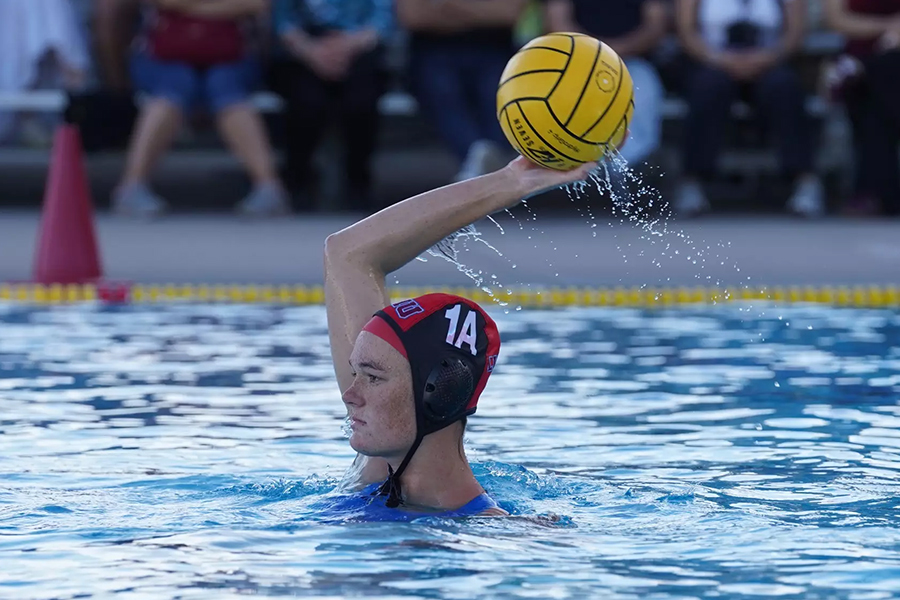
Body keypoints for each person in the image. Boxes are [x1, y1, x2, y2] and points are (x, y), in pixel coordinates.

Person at [322, 154, 597, 519]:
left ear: (439, 392)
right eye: (357, 372)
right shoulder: (374, 464)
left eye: (372, 377)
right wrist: (511, 181)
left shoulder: (499, 536)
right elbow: (346, 253)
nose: (349, 394)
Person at [113, 0, 289, 218]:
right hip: (163, 53)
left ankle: (269, 188)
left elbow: (256, 4)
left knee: (226, 88)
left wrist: (190, 9)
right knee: (174, 86)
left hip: (231, 53)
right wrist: (224, 9)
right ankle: (131, 186)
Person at [673, 0, 825, 217]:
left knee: (784, 88)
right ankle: (692, 181)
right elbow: (686, 32)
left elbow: (795, 32)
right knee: (707, 88)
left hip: (768, 61)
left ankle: (804, 180)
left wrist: (767, 58)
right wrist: (721, 59)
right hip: (712, 61)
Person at [269, 0, 393, 212]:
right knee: (306, 104)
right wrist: (312, 51)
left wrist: (348, 46)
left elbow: (382, 19)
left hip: (359, 49)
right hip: (301, 53)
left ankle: (358, 182)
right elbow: (281, 21)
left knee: (360, 103)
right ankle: (298, 179)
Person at [396, 0, 527, 183]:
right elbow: (413, 17)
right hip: (433, 51)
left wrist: (443, 5)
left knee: (498, 92)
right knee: (440, 88)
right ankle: (479, 158)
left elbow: (508, 13)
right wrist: (481, 12)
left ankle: (484, 164)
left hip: (494, 49)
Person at [543, 0, 668, 169]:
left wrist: (614, 51)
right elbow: (557, 22)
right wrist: (596, 51)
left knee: (642, 93)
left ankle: (631, 173)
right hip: (576, 62)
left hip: (633, 61)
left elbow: (655, 25)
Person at [823, 0, 900, 216]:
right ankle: (883, 194)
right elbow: (836, 19)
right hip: (860, 60)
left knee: (883, 77)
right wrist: (888, 26)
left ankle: (873, 193)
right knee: (878, 88)